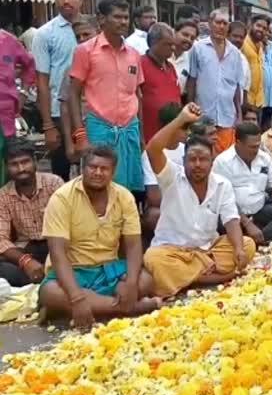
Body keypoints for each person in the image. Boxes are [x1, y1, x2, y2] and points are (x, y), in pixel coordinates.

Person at [39, 146, 160, 328]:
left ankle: (78, 307)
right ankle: (129, 308)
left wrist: (131, 283)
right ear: (82, 169)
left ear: (113, 172)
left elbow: (134, 245)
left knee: (146, 280)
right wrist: (77, 297)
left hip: (109, 269)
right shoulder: (62, 198)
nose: (97, 173)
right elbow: (58, 254)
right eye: (92, 167)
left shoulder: (124, 196)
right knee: (49, 292)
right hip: (74, 272)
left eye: (104, 169)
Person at [143, 104, 256, 298]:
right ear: (184, 160)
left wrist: (238, 249)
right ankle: (216, 277)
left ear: (212, 161)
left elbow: (231, 220)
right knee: (153, 259)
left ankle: (189, 277)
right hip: (173, 251)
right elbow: (153, 149)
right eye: (192, 159)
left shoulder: (222, 184)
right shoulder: (172, 176)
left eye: (203, 159)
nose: (197, 164)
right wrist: (180, 119)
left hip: (208, 249)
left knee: (247, 244)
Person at [70, 0, 144, 193]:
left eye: (126, 17)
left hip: (130, 129)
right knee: (100, 187)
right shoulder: (85, 51)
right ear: (101, 19)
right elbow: (73, 94)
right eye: (117, 17)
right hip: (99, 129)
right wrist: (80, 136)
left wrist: (141, 135)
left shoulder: (134, 54)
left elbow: (136, 94)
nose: (123, 22)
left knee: (131, 190)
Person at [213, 122, 272, 243]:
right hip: (234, 216)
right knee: (221, 223)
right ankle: (252, 239)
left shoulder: (264, 158)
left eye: (258, 145)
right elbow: (225, 200)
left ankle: (254, 240)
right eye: (252, 147)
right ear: (238, 143)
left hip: (258, 210)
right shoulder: (223, 162)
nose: (256, 150)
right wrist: (246, 223)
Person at [31, 0, 81, 182]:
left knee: (94, 168)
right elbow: (42, 81)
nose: (65, 1)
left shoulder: (92, 30)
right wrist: (48, 126)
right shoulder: (45, 34)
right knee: (60, 176)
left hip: (91, 111)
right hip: (58, 113)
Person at [0, 141, 64, 286]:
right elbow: (1, 239)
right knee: (6, 271)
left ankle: (47, 284)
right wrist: (26, 261)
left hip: (57, 245)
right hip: (26, 250)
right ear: (6, 167)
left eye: (25, 162)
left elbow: (69, 224)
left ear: (35, 161)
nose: (21, 168)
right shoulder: (3, 195)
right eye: (14, 164)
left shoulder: (54, 183)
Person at [187, 8, 244, 154]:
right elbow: (192, 81)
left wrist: (239, 115)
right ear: (210, 24)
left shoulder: (235, 53)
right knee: (203, 154)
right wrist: (189, 109)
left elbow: (237, 86)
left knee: (225, 158)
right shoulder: (198, 49)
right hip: (203, 115)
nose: (221, 26)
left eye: (225, 23)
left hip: (227, 116)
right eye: (218, 22)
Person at [140, 103, 187, 245]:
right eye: (183, 127)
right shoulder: (150, 154)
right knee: (154, 215)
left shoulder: (189, 149)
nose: (187, 132)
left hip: (190, 203)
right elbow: (154, 197)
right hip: (166, 205)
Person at [60, 16, 99, 165]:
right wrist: (70, 143)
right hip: (84, 133)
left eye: (86, 35)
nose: (82, 39)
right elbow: (64, 106)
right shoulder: (71, 69)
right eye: (78, 37)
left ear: (98, 32)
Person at [140, 23, 182, 142]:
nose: (173, 48)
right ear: (154, 43)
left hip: (171, 135)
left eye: (173, 44)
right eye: (168, 44)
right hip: (150, 134)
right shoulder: (140, 64)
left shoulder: (170, 67)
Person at [0, 28, 35, 141]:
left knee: (7, 152)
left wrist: (24, 93)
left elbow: (30, 64)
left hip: (5, 113)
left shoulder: (7, 40)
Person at [240, 15, 268, 111]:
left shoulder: (261, 46)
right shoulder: (242, 43)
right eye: (258, 26)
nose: (261, 30)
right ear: (251, 25)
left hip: (259, 101)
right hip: (246, 101)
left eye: (264, 28)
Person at [172, 19, 199, 98]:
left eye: (192, 38)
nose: (188, 40)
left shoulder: (190, 57)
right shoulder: (163, 54)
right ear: (174, 32)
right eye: (185, 35)